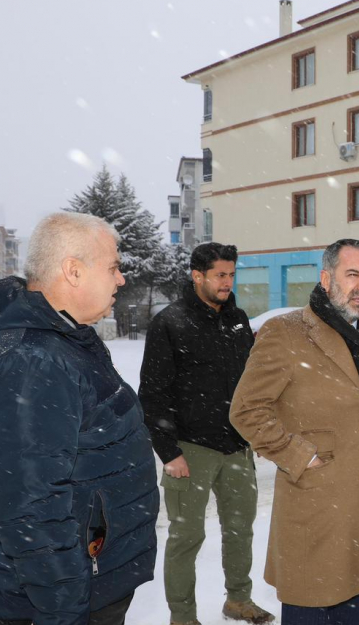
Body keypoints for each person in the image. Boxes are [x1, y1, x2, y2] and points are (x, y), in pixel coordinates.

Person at [0, 212, 158, 625]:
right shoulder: (29, 359)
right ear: (73, 270)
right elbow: (30, 509)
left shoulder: (64, 340)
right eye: (113, 267)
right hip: (64, 599)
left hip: (90, 581)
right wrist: (65, 611)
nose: (121, 279)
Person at [230, 238, 359, 625]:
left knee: (353, 607)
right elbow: (247, 409)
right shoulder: (286, 332)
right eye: (352, 274)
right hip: (315, 504)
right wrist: (299, 455)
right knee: (310, 602)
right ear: (326, 279)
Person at [140, 242, 275, 625]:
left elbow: (250, 383)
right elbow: (153, 393)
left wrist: (257, 432)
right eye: (219, 275)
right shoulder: (170, 322)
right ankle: (183, 617)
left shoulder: (237, 319)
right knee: (186, 538)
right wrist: (169, 452)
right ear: (197, 275)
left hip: (237, 446)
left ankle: (239, 600)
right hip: (190, 449)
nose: (227, 282)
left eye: (231, 274)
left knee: (240, 530)